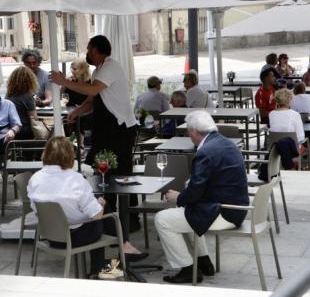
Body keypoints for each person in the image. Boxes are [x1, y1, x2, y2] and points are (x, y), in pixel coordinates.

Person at [48, 35, 139, 225]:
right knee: (104, 172)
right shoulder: (99, 70)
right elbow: (92, 101)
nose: (87, 53)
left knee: (121, 174)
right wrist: (77, 112)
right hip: (105, 129)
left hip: (119, 129)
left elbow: (93, 91)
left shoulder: (110, 66)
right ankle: (109, 215)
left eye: (89, 49)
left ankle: (130, 218)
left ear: (97, 50)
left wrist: (63, 81)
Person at [154, 111, 249, 284]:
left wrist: (179, 197)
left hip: (224, 212)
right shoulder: (225, 143)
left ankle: (187, 269)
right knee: (188, 211)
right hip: (236, 209)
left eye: (188, 132)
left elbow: (195, 192)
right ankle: (204, 262)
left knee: (162, 219)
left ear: (193, 132)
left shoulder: (205, 152)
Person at [28, 137, 144, 278]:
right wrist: (100, 204)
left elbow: (35, 207)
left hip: (50, 237)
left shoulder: (35, 178)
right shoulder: (75, 179)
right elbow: (96, 216)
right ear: (70, 155)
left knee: (94, 209)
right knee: (100, 212)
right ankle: (112, 258)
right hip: (74, 238)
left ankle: (113, 257)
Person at [5, 66, 39, 140]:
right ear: (30, 80)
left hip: (10, 129)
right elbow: (33, 117)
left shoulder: (8, 95)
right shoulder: (27, 96)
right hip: (25, 131)